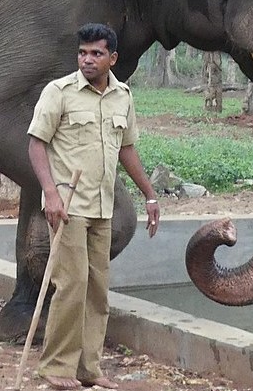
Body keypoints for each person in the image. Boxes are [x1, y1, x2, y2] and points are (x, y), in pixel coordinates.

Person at [27, 22, 161, 391]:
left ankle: (89, 367)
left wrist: (149, 195)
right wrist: (50, 194)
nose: (87, 60)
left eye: (96, 53)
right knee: (72, 283)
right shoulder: (59, 92)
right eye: (83, 53)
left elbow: (127, 149)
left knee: (98, 289)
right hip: (68, 205)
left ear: (112, 58)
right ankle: (56, 367)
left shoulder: (123, 97)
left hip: (102, 207)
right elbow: (37, 144)